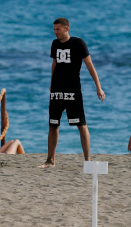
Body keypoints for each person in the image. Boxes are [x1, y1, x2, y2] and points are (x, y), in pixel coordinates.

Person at [41, 17, 105, 168]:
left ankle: (87, 161)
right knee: (53, 125)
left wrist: (98, 86)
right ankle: (50, 160)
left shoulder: (78, 43)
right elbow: (54, 64)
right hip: (57, 90)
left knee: (81, 125)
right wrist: (51, 84)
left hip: (73, 90)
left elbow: (90, 65)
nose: (55, 32)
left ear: (66, 29)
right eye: (54, 29)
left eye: (58, 29)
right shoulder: (55, 44)